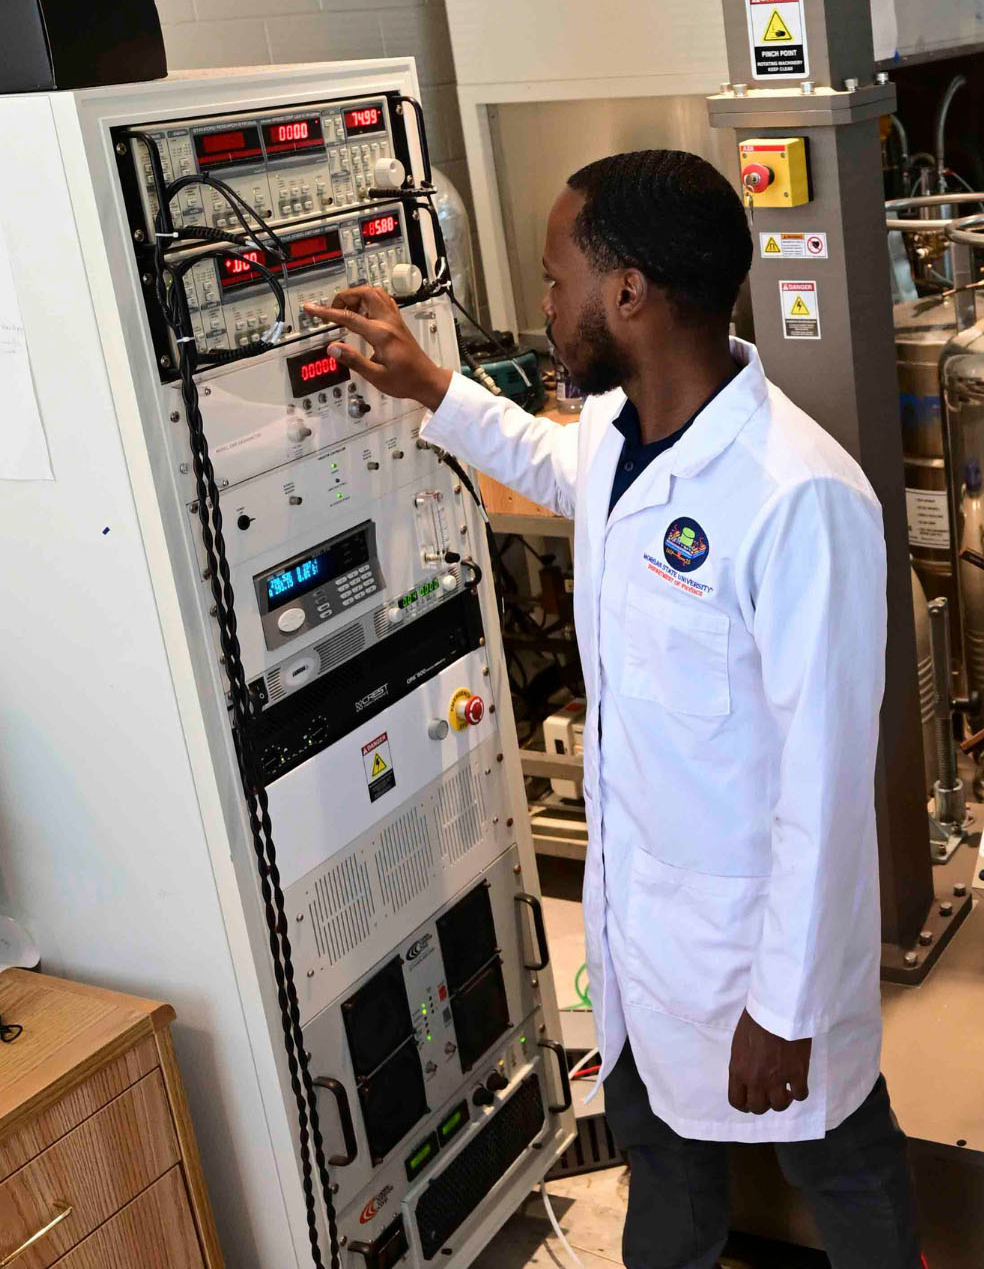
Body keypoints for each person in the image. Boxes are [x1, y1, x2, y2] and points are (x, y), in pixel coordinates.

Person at [305, 150, 919, 1269]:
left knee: (837, 1156)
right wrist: (435, 389)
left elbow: (828, 785)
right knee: (663, 1157)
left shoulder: (798, 494)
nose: (544, 305)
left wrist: (782, 1005)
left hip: (751, 942)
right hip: (643, 925)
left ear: (628, 292)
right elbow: (549, 459)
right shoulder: (622, 432)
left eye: (554, 278)